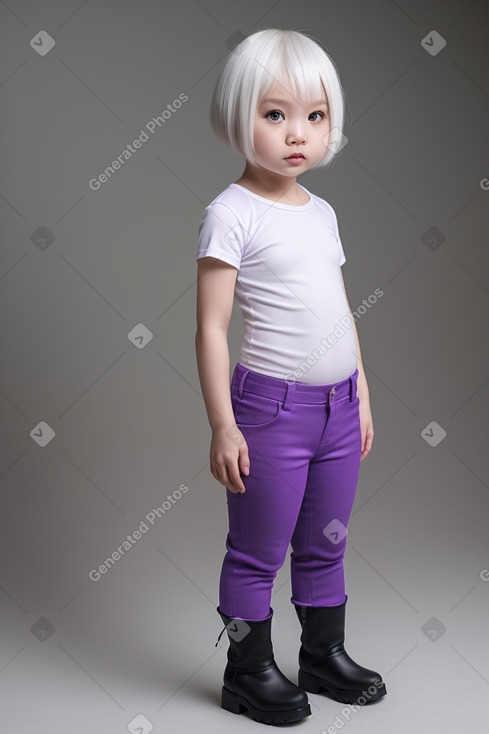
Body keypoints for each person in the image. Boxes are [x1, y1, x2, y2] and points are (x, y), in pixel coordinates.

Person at [195, 28, 386, 725]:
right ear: (237, 115)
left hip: (337, 408)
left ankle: (321, 655)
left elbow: (338, 312)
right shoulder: (231, 214)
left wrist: (360, 391)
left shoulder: (323, 212)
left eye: (314, 115)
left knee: (326, 539)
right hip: (269, 412)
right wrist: (222, 422)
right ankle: (246, 671)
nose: (295, 133)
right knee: (255, 550)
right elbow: (211, 327)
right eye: (273, 114)